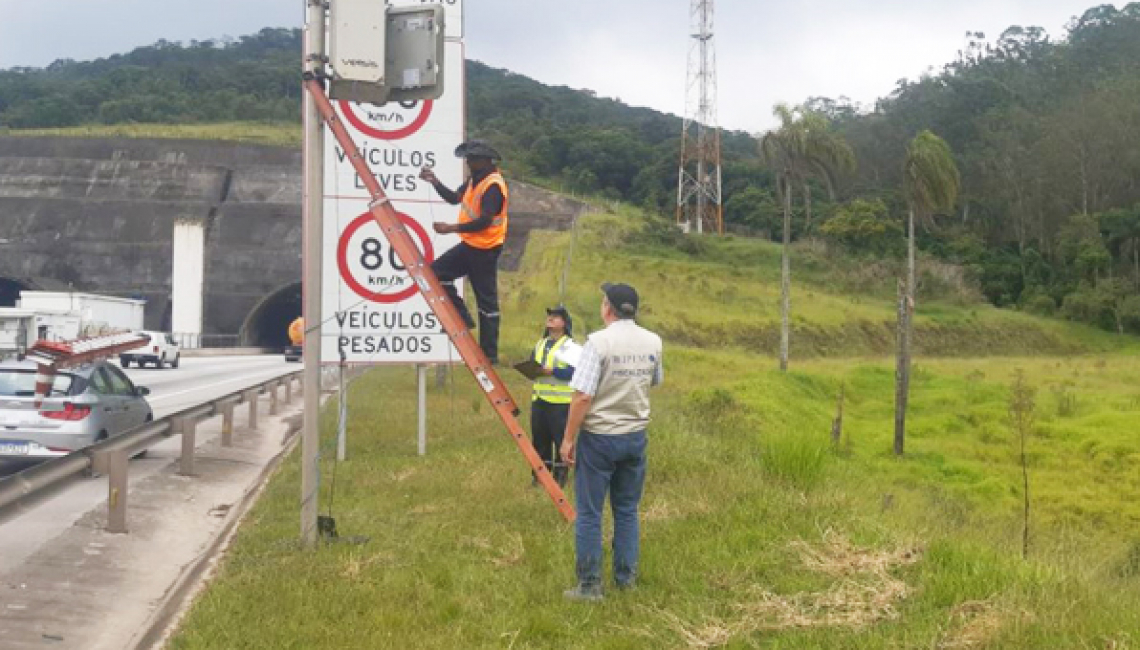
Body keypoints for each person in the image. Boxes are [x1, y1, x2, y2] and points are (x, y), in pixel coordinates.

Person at [560, 283, 663, 601]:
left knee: (590, 513)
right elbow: (654, 380)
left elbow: (582, 397)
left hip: (600, 438)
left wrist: (567, 439)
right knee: (627, 510)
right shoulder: (653, 341)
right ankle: (625, 579)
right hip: (634, 437)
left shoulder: (597, 343)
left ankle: (590, 585)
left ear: (608, 307)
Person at [419, 140, 509, 363]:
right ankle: (461, 316)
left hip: (486, 249)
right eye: (468, 159)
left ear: (486, 161)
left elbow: (485, 221)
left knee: (486, 302)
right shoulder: (474, 180)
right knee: (436, 273)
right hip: (470, 245)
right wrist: (434, 181)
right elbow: (453, 198)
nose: (468, 162)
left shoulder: (493, 186)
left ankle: (490, 356)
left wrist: (451, 228)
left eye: (472, 159)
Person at [529, 306, 581, 488]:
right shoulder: (540, 344)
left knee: (561, 441)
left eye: (555, 317)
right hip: (540, 401)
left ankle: (560, 479)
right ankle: (540, 478)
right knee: (539, 441)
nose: (550, 319)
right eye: (549, 316)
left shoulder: (572, 346)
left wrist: (553, 371)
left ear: (564, 323)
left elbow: (575, 372)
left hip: (561, 403)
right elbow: (532, 365)